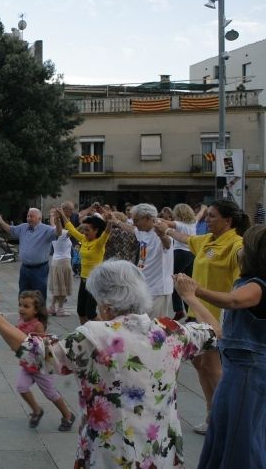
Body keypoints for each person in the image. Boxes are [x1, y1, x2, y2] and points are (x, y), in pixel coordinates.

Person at [0, 259, 219, 468]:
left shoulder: (95, 335)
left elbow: (37, 353)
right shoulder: (171, 331)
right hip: (161, 453)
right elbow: (214, 331)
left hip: (110, 456)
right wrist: (190, 297)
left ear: (106, 302)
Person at [175, 224, 266, 468]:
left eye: (245, 247)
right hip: (238, 368)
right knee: (228, 427)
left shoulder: (258, 285)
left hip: (249, 370)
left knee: (240, 434)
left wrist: (195, 293)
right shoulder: (249, 281)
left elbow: (235, 301)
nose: (240, 251)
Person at [160, 198, 249, 435]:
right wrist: (165, 229)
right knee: (199, 363)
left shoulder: (236, 246)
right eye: (206, 215)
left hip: (218, 317)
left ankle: (226, 417)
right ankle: (212, 413)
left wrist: (196, 291)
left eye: (212, 216)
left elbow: (242, 284)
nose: (206, 220)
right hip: (196, 313)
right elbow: (186, 239)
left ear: (228, 221)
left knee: (212, 366)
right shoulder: (208, 241)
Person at [14, 290, 75, 430]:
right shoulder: (21, 321)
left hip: (41, 367)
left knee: (51, 394)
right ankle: (37, 410)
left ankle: (67, 415)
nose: (21, 309)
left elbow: (45, 346)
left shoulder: (37, 325)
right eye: (20, 305)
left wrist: (49, 366)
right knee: (21, 387)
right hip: (27, 365)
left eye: (26, 306)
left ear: (36, 310)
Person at [109, 203, 174, 318]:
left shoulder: (160, 230)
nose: (134, 223)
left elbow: (168, 244)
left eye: (136, 220)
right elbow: (132, 230)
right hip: (144, 286)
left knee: (154, 327)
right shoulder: (143, 231)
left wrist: (162, 235)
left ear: (148, 218)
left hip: (158, 290)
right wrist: (116, 222)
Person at [57, 208, 110, 324]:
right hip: (84, 279)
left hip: (95, 281)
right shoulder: (83, 240)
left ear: (96, 230)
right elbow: (70, 227)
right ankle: (84, 334)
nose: (84, 232)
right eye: (84, 229)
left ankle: (104, 331)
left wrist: (110, 222)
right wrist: (61, 213)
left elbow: (106, 233)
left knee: (91, 313)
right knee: (81, 311)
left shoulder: (99, 243)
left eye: (87, 230)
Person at [0, 208, 61, 301]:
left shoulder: (47, 230)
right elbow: (11, 230)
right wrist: (0, 221)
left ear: (39, 218)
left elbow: (58, 233)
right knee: (23, 294)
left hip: (40, 269)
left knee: (39, 296)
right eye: (28, 216)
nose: (29, 218)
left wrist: (58, 221)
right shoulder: (23, 227)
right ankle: (23, 314)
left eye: (31, 216)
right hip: (25, 268)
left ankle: (39, 315)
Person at [48, 225, 73, 316]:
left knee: (58, 287)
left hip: (56, 261)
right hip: (64, 262)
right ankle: (60, 309)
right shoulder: (63, 233)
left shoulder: (53, 231)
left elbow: (53, 222)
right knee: (63, 287)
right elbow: (75, 231)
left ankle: (52, 307)